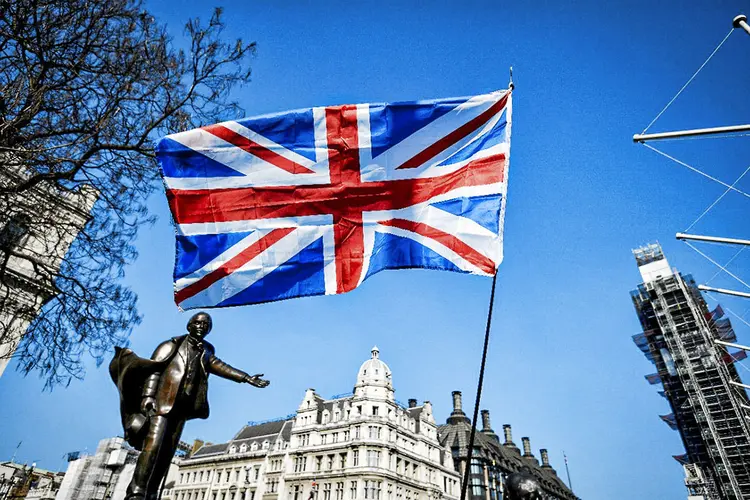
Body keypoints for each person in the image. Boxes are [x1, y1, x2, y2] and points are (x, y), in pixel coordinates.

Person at [110, 312, 269, 500]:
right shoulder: (171, 345)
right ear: (189, 325)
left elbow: (222, 367)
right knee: (153, 447)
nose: (202, 326)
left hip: (182, 409)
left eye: (206, 324)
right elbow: (154, 370)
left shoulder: (207, 350)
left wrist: (246, 377)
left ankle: (152, 492)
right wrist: (148, 396)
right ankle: (136, 492)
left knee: (167, 453)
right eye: (198, 323)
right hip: (162, 405)